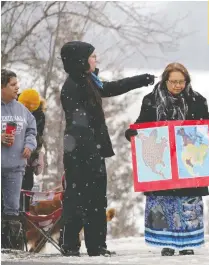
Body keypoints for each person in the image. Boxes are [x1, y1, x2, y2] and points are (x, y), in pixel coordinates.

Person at [59, 41, 155, 257]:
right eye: (92, 56)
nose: (96, 60)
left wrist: (140, 80)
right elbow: (78, 125)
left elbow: (110, 88)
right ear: (81, 60)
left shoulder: (88, 81)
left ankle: (96, 246)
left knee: (96, 200)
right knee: (78, 199)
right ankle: (71, 245)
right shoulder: (74, 86)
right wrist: (91, 150)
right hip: (80, 152)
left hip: (92, 150)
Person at [124, 62, 209, 256]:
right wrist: (132, 133)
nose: (178, 85)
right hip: (163, 162)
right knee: (164, 202)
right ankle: (166, 242)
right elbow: (141, 124)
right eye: (174, 82)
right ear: (165, 81)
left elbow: (205, 123)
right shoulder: (151, 100)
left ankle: (187, 243)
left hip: (188, 163)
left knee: (187, 203)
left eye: (182, 82)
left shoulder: (197, 100)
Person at [1, 69, 37, 249]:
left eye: (17, 84)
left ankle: (11, 248)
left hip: (15, 167)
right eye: (13, 85)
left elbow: (32, 130)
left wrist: (29, 145)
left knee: (12, 209)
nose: (17, 88)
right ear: (2, 87)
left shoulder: (21, 109)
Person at [17, 88, 46, 211]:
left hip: (27, 160)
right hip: (8, 159)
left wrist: (38, 154)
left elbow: (37, 137)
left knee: (25, 192)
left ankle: (22, 220)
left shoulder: (39, 116)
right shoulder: (9, 108)